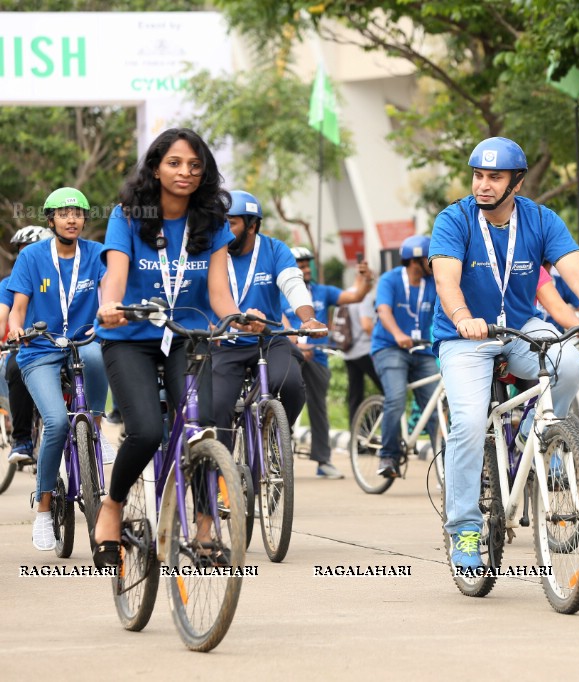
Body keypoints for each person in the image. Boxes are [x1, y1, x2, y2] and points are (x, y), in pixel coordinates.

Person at [429, 136, 579, 569]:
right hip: (464, 337)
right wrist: (464, 316)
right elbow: (447, 281)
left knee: (570, 363)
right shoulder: (453, 220)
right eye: (478, 175)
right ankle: (464, 529)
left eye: (494, 177)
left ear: (516, 182)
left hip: (520, 328)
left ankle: (528, 437)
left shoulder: (541, 221)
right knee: (466, 421)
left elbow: (575, 272)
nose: (483, 185)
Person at [92, 127, 258, 568]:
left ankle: (204, 529)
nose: (185, 172)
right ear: (155, 168)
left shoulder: (214, 222)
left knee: (203, 426)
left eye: (195, 165)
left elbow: (220, 292)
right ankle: (112, 505)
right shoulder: (128, 214)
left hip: (189, 336)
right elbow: (116, 275)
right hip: (130, 336)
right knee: (146, 430)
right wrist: (112, 305)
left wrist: (239, 316)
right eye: (175, 163)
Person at [5, 188, 112, 550]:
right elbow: (19, 306)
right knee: (56, 423)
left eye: (78, 214)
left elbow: (107, 291)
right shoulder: (32, 257)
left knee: (99, 356)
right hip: (39, 349)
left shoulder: (96, 253)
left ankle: (96, 425)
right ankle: (43, 508)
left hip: (83, 342)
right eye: (64, 213)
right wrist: (17, 328)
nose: (72, 219)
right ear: (50, 220)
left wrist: (107, 316)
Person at [210, 191, 322, 455]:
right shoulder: (212, 251)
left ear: (252, 225)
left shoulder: (274, 250)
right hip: (225, 343)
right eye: (221, 221)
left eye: (232, 222)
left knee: (292, 385)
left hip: (269, 340)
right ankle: (224, 475)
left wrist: (309, 319)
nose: (223, 228)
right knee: (217, 407)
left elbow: (293, 284)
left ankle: (275, 433)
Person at [283, 247, 373, 479]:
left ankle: (323, 461)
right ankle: (278, 458)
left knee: (319, 408)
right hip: (288, 354)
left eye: (307, 265)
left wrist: (365, 278)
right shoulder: (278, 292)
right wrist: (297, 346)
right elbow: (277, 320)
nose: (305, 269)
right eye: (300, 265)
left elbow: (355, 296)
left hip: (318, 357)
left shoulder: (322, 291)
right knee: (282, 405)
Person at [372, 235, 438, 478]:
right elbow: (384, 310)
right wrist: (398, 333)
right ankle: (387, 456)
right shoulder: (390, 280)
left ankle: (447, 463)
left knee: (435, 406)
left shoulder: (432, 283)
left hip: (422, 349)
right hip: (390, 348)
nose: (433, 263)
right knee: (397, 398)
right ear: (414, 260)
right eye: (428, 259)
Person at [1, 227, 50, 463]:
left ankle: (90, 430)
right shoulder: (10, 283)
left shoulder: (59, 276)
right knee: (15, 368)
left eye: (30, 251)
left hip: (62, 343)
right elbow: (3, 319)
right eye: (21, 252)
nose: (25, 257)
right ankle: (22, 439)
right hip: (27, 347)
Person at [341, 289, 381, 430]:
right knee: (391, 392)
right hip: (364, 351)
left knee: (355, 397)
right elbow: (367, 325)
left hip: (348, 351)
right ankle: (367, 429)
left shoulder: (347, 294)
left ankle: (356, 438)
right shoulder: (365, 297)